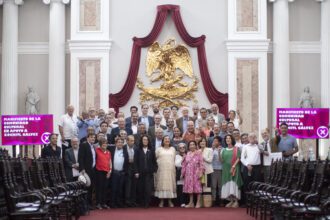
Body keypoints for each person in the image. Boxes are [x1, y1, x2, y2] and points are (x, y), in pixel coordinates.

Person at [134, 135, 158, 208]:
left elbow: (154, 161)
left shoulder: (151, 150)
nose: (145, 141)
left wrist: (154, 169)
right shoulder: (138, 150)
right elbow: (135, 162)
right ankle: (142, 203)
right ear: (141, 141)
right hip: (140, 173)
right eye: (144, 140)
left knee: (148, 189)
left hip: (149, 173)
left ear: (148, 141)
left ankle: (147, 203)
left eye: (146, 140)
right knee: (141, 188)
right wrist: (136, 172)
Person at [220, 134, 243, 208]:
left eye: (229, 138)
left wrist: (233, 166)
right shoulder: (223, 150)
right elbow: (222, 160)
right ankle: (231, 200)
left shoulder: (236, 149)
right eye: (226, 138)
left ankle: (236, 201)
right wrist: (218, 152)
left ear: (232, 140)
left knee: (234, 184)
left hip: (234, 168)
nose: (227, 139)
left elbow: (238, 158)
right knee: (228, 184)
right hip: (226, 169)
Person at [181, 141, 205, 208]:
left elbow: (201, 163)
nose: (191, 146)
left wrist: (201, 172)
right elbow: (184, 164)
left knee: (198, 187)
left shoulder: (199, 153)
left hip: (196, 172)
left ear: (195, 145)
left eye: (193, 144)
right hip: (189, 173)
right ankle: (191, 203)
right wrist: (183, 173)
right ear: (188, 146)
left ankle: (198, 202)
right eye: (190, 145)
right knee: (190, 188)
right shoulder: (187, 154)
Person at [155, 136, 177, 207]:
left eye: (168, 139)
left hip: (170, 170)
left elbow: (175, 159)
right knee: (162, 184)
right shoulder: (159, 149)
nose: (167, 140)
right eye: (165, 139)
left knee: (170, 184)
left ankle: (170, 201)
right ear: (163, 141)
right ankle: (161, 201)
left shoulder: (173, 149)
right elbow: (155, 159)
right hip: (161, 170)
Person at [240, 133, 261, 202]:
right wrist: (247, 164)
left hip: (257, 168)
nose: (252, 138)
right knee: (247, 184)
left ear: (255, 138)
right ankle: (247, 201)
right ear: (248, 139)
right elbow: (242, 158)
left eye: (253, 137)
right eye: (250, 137)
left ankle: (256, 201)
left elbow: (264, 152)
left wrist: (257, 144)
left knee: (256, 184)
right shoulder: (245, 146)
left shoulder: (258, 146)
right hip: (248, 167)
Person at [109, 138, 129, 208]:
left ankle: (119, 203)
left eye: (121, 142)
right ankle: (112, 203)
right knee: (114, 188)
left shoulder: (125, 151)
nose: (120, 144)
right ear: (115, 143)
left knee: (120, 189)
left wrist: (124, 171)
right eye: (118, 142)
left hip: (122, 172)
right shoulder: (111, 149)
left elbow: (127, 162)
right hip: (114, 172)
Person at [78, 133, 97, 209]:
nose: (93, 139)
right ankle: (85, 204)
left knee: (91, 187)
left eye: (94, 138)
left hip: (92, 169)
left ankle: (89, 204)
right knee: (86, 187)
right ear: (87, 138)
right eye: (91, 137)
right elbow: (80, 157)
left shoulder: (93, 146)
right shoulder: (84, 145)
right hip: (85, 170)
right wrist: (82, 168)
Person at [95, 138, 112, 210]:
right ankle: (98, 203)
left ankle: (104, 203)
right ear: (100, 144)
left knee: (105, 188)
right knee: (99, 188)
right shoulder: (96, 151)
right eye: (103, 143)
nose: (105, 144)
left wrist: (110, 171)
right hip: (99, 172)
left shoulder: (108, 152)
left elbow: (110, 162)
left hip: (107, 172)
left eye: (106, 143)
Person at [125, 135, 138, 207]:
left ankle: (133, 201)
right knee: (127, 186)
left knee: (134, 185)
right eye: (131, 141)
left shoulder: (136, 148)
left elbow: (137, 160)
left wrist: (137, 171)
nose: (133, 142)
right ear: (127, 141)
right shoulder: (124, 148)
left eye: (133, 141)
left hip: (134, 168)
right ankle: (127, 201)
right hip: (126, 168)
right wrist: (128, 160)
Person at [211, 136, 223, 205]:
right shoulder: (211, 149)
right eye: (213, 141)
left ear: (219, 142)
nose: (214, 142)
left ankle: (221, 199)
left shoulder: (223, 149)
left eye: (216, 141)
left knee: (220, 185)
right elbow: (210, 160)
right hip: (213, 169)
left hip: (221, 169)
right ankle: (214, 199)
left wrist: (218, 152)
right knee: (213, 185)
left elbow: (221, 160)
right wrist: (212, 150)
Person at [175, 143, 187, 207]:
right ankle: (181, 202)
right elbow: (177, 164)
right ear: (178, 149)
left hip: (188, 174)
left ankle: (187, 202)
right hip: (180, 174)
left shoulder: (188, 154)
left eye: (183, 147)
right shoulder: (177, 156)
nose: (182, 149)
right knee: (181, 188)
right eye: (180, 148)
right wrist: (183, 159)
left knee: (187, 188)